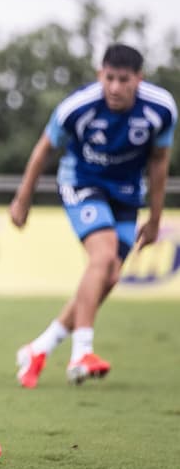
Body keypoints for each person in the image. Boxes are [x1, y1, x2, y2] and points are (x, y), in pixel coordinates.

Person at [10, 43, 175, 388]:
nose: (114, 87)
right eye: (109, 78)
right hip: (82, 182)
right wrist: (23, 199)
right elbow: (43, 150)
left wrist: (156, 218)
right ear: (101, 74)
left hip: (127, 193)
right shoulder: (77, 107)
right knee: (103, 257)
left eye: (123, 80)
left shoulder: (161, 110)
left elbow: (159, 162)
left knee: (109, 275)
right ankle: (81, 353)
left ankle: (39, 348)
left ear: (138, 80)